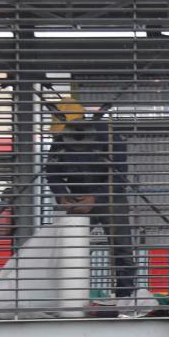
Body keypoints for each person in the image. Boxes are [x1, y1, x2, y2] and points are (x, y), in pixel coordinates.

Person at [46, 116, 136, 315]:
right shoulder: (62, 138)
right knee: (68, 250)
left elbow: (120, 173)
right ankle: (65, 296)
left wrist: (96, 198)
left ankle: (126, 297)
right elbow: (52, 171)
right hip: (77, 200)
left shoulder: (110, 136)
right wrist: (62, 195)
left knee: (122, 248)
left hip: (111, 199)